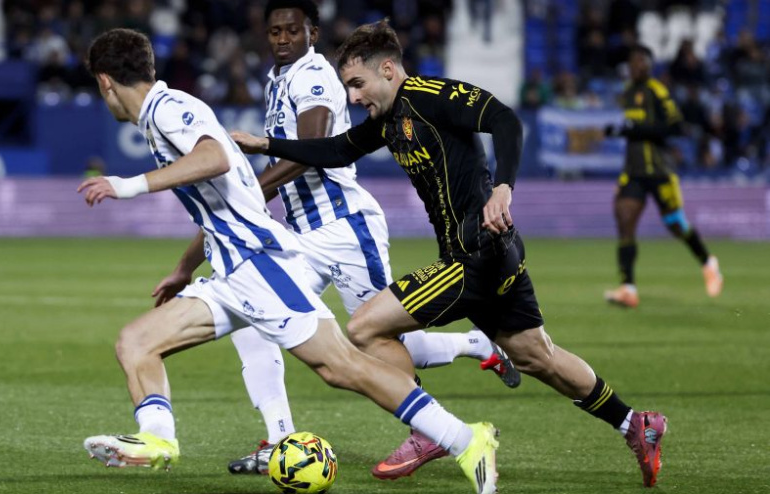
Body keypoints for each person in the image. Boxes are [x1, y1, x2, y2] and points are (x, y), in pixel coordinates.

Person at [233, 20, 667, 490]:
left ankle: (428, 429)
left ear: (387, 69)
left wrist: (503, 187)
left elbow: (505, 119)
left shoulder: (430, 95)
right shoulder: (388, 117)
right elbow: (339, 149)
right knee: (536, 355)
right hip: (494, 251)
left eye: (357, 84)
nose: (353, 98)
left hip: (471, 254)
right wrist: (266, 144)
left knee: (364, 328)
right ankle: (635, 424)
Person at [77, 28, 498, 494]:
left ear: (105, 82)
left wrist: (128, 185)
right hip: (231, 270)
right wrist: (184, 268)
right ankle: (158, 440)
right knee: (136, 342)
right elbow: (230, 200)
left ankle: (464, 438)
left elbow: (215, 158)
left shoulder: (169, 108)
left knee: (341, 366)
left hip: (258, 266)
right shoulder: (163, 114)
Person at [604, 45, 722, 308]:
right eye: (632, 62)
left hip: (659, 170)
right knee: (624, 219)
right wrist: (620, 131)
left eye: (641, 62)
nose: (636, 66)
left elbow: (676, 126)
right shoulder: (628, 93)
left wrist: (635, 128)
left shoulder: (657, 91)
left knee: (676, 224)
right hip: (633, 172)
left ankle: (707, 261)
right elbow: (632, 130)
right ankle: (628, 288)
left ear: (649, 65)